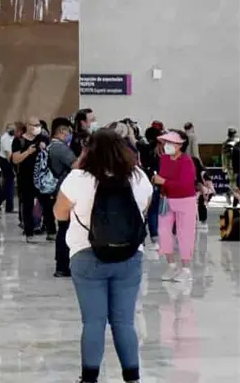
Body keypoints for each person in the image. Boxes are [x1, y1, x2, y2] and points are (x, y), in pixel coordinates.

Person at [53, 129, 152, 383]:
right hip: (129, 256)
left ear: (89, 151)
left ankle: (89, 378)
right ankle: (132, 377)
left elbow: (59, 213)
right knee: (124, 322)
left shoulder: (78, 178)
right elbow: (144, 208)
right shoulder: (138, 176)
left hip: (87, 256)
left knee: (93, 322)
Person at [154, 130, 198, 282]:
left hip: (185, 201)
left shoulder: (186, 161)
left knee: (185, 234)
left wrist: (164, 182)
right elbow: (162, 177)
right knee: (163, 231)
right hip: (167, 200)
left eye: (170, 143)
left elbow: (185, 185)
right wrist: (160, 184)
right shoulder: (164, 159)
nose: (166, 145)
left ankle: (186, 269)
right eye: (165, 142)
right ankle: (171, 265)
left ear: (180, 145)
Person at [47, 117, 78, 277]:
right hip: (63, 191)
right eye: (68, 132)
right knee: (65, 229)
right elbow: (76, 165)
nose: (70, 135)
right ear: (62, 131)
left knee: (63, 228)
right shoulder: (60, 148)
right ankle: (62, 265)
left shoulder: (51, 146)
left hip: (57, 191)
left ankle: (61, 263)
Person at [11, 116, 49, 242]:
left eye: (38, 125)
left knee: (46, 202)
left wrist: (45, 148)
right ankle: (29, 232)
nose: (37, 127)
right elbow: (15, 159)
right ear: (27, 126)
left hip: (42, 177)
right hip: (26, 177)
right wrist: (28, 152)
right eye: (34, 125)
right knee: (27, 205)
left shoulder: (43, 138)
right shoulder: (19, 141)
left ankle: (50, 230)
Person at [0, 122, 17, 214]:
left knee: (8, 185)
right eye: (11, 128)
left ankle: (7, 205)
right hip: (6, 161)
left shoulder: (12, 137)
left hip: (10, 160)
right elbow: (8, 154)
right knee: (9, 184)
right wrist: (13, 166)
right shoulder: (5, 138)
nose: (13, 130)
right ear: (6, 129)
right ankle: (5, 204)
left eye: (14, 128)